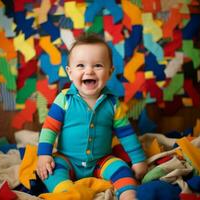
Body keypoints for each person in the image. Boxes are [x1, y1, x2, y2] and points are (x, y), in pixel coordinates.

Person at [36, 33, 148, 200]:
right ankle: (67, 192)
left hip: (100, 161)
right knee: (51, 172)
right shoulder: (64, 99)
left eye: (97, 65)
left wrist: (138, 160)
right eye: (80, 65)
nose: (89, 71)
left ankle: (128, 194)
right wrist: (43, 154)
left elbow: (126, 134)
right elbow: (49, 128)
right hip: (67, 159)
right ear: (70, 72)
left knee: (121, 168)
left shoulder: (112, 104)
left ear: (110, 72)